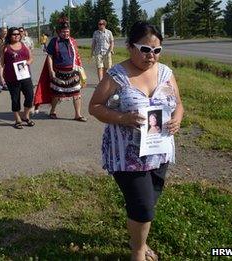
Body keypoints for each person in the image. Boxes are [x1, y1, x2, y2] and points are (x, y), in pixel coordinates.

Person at [88, 21, 184, 261]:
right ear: (130, 47)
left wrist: (177, 119)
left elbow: (179, 104)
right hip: (127, 156)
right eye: (145, 49)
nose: (151, 56)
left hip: (160, 151)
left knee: (147, 202)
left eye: (157, 50)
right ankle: (138, 252)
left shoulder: (165, 73)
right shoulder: (117, 76)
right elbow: (95, 107)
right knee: (143, 207)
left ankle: (139, 238)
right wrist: (122, 117)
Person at [34, 17, 87, 122]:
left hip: (73, 72)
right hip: (59, 73)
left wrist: (81, 71)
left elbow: (77, 56)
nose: (66, 33)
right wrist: (51, 71)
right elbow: (49, 56)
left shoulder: (72, 41)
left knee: (77, 94)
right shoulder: (54, 41)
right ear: (59, 32)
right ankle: (52, 111)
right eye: (63, 32)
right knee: (57, 95)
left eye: (67, 31)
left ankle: (78, 114)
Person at [0, 27, 35, 129]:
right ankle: (17, 119)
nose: (16, 36)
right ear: (9, 36)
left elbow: (31, 58)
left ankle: (26, 116)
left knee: (30, 96)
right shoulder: (5, 47)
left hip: (25, 76)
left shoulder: (24, 45)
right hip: (11, 77)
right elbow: (1, 63)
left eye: (18, 34)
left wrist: (28, 62)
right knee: (15, 98)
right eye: (14, 34)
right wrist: (1, 77)